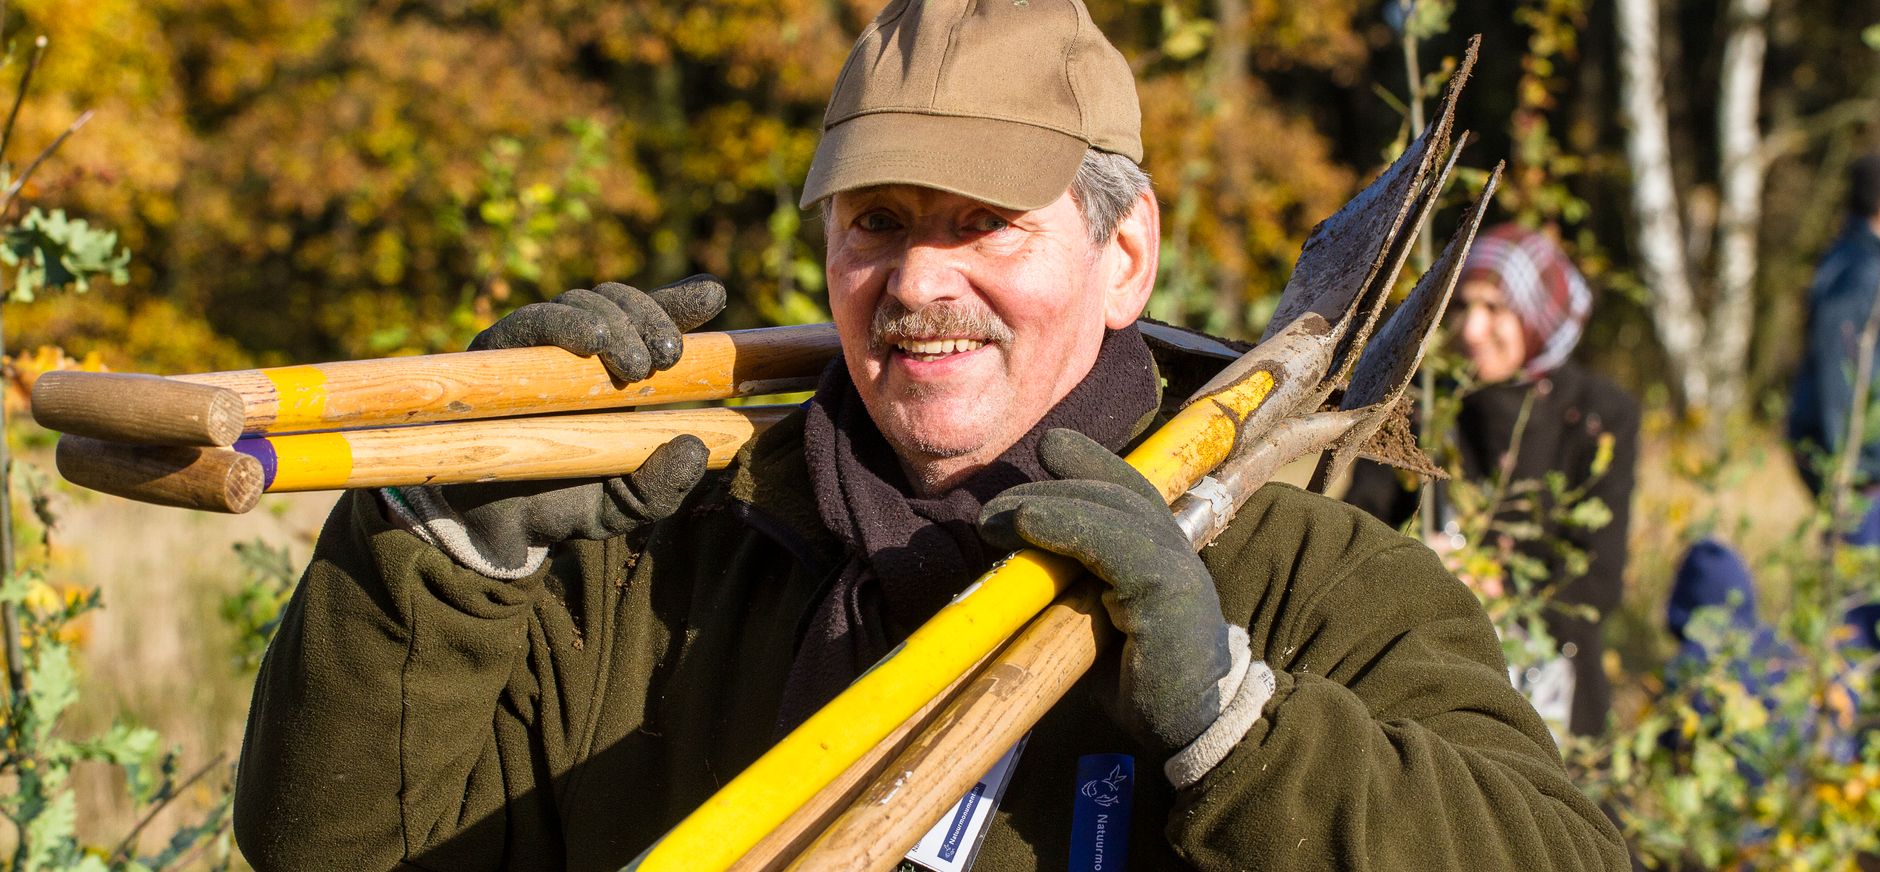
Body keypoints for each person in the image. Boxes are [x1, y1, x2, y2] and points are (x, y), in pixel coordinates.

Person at [231, 2, 1629, 870]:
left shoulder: (1305, 583)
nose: (915, 283)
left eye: (983, 225)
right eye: (877, 224)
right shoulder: (660, 540)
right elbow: (337, 848)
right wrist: (445, 546)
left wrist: (1231, 724)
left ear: (1123, 252)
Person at [1344, 223, 1640, 740]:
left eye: (1495, 308)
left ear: (1538, 312)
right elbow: (1359, 533)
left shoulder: (1598, 415)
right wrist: (1420, 567)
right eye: (1461, 307)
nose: (1471, 329)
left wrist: (1497, 587)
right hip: (1432, 680)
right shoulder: (1424, 408)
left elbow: (1597, 580)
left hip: (1554, 696)